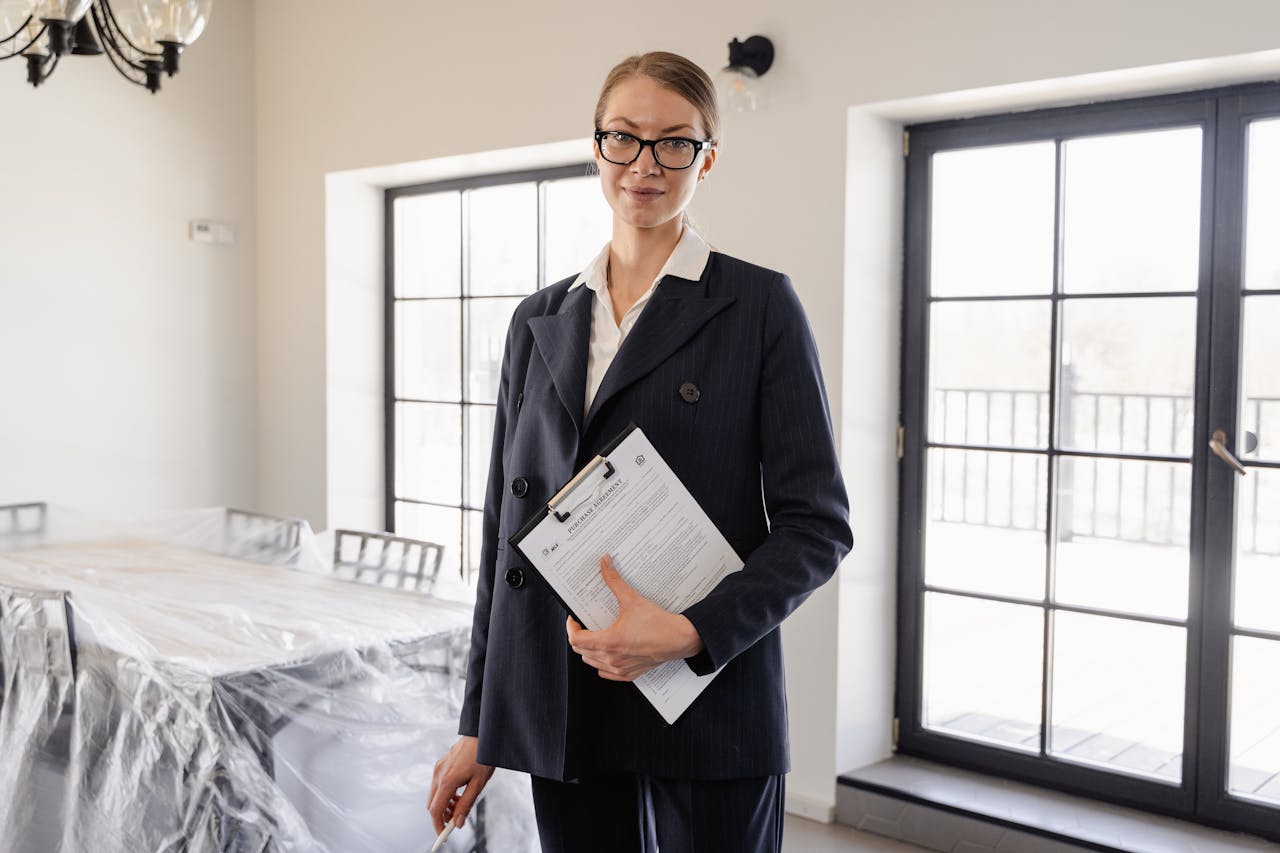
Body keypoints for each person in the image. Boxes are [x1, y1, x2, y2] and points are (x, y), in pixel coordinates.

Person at [427, 51, 852, 853]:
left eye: (674, 143)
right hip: (565, 704)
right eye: (624, 138)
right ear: (595, 147)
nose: (645, 164)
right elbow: (504, 534)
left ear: (708, 158)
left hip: (709, 698)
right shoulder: (540, 319)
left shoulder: (758, 305)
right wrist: (484, 722)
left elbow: (816, 527)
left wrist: (692, 630)